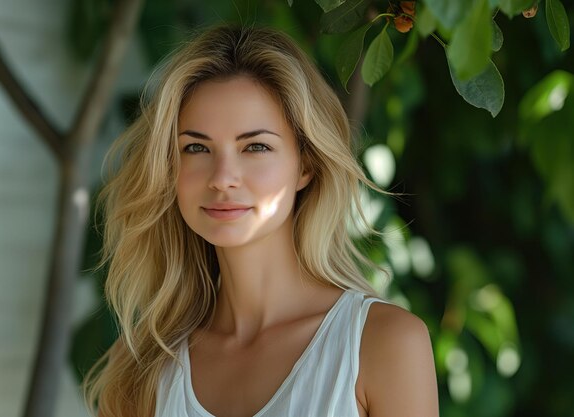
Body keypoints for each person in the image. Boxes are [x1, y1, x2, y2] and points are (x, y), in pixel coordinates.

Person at [84, 25, 438, 417]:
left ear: (305, 164)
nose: (222, 177)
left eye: (255, 146)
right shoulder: (142, 366)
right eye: (196, 147)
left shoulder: (383, 344)